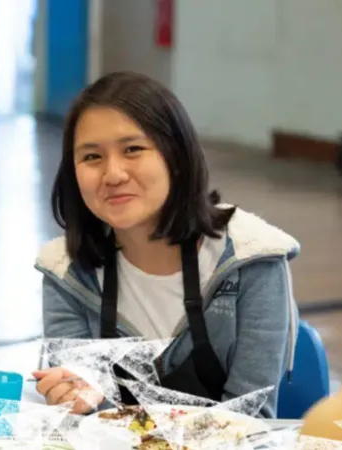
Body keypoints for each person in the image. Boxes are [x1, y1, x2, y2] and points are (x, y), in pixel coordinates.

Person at [32, 71, 299, 418]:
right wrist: (79, 401)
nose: (113, 174)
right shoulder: (67, 272)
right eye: (92, 157)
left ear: (177, 156)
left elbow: (250, 419)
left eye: (133, 149)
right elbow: (89, 423)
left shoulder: (252, 260)